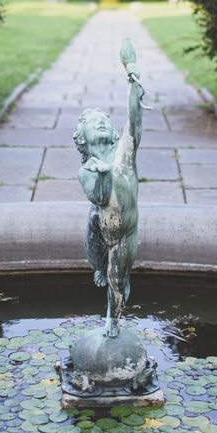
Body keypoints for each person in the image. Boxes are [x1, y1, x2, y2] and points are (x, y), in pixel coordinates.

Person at [72, 38, 148, 338]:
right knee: (97, 257)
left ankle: (112, 321)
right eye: (93, 122)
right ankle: (98, 268)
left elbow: (135, 119)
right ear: (83, 138)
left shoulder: (124, 152)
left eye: (104, 119)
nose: (101, 123)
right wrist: (103, 173)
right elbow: (100, 196)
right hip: (101, 228)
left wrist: (132, 75)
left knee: (117, 278)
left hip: (124, 233)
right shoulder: (86, 170)